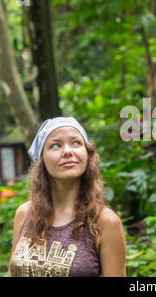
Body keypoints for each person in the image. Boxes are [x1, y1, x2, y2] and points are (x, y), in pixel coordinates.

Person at [9, 117, 126, 277]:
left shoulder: (105, 222)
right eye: (56, 145)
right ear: (41, 160)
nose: (68, 151)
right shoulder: (25, 214)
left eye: (76, 143)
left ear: (87, 154)